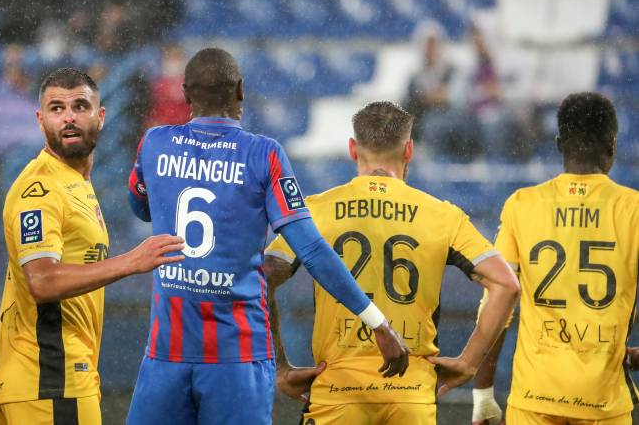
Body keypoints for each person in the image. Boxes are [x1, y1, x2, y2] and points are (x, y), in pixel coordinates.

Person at [125, 48, 409, 425]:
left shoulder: (154, 142)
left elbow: (140, 206)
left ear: (186, 94)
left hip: (166, 353)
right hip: (237, 356)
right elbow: (309, 246)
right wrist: (378, 323)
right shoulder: (264, 155)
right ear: (240, 91)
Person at [264, 101, 520, 424]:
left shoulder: (315, 211)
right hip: (411, 396)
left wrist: (279, 368)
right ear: (409, 150)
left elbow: (263, 277)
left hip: (338, 395)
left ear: (353, 149)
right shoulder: (442, 216)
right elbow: (506, 284)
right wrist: (469, 363)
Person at [0, 68, 185, 424]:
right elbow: (43, 281)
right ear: (40, 119)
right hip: (49, 377)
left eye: (80, 106)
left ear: (101, 115)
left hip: (53, 379)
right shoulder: (41, 189)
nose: (68, 117)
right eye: (56, 108)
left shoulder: (76, 183)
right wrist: (131, 261)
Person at [469, 92, 639, 425]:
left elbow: (497, 303)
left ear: (559, 143)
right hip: (603, 402)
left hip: (534, 399)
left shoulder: (522, 205)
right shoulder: (633, 210)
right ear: (613, 145)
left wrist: (484, 393)